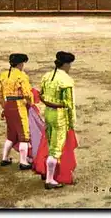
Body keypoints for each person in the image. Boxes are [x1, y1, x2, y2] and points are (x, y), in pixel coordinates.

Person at [34, 51, 78, 189]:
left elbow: (41, 95)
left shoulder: (47, 76)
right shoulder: (66, 80)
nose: (70, 67)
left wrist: (49, 103)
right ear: (65, 64)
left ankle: (46, 172)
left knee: (49, 142)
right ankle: (50, 180)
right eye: (69, 64)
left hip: (48, 113)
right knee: (56, 149)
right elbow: (69, 104)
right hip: (60, 116)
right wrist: (71, 122)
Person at [0, 53, 34, 169]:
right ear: (20, 64)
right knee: (24, 135)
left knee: (11, 134)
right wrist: (30, 103)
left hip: (8, 106)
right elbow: (27, 93)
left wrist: (4, 106)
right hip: (19, 106)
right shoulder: (21, 76)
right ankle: (23, 162)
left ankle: (5, 158)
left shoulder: (3, 75)